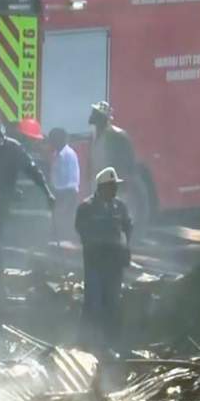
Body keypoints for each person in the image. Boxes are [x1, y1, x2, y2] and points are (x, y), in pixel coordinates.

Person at [0, 114, 55, 300]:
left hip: (3, 207)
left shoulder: (13, 148)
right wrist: (8, 191)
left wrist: (47, 192)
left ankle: (3, 286)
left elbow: (33, 171)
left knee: (1, 245)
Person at [75, 168, 131, 354]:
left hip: (114, 265)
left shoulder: (119, 206)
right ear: (103, 187)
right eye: (113, 186)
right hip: (95, 264)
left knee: (113, 303)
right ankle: (87, 343)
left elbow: (128, 226)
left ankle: (110, 345)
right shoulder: (87, 207)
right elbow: (82, 231)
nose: (116, 190)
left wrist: (126, 248)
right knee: (94, 303)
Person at [88, 102, 136, 181]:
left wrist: (124, 181)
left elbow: (128, 162)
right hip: (96, 180)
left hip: (113, 181)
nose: (92, 116)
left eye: (95, 114)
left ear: (103, 118)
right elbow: (90, 160)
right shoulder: (92, 135)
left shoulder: (118, 136)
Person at [47, 128, 81, 242]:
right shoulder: (58, 153)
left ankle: (64, 246)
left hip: (67, 192)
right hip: (61, 192)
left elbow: (69, 179)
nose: (50, 142)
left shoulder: (67, 154)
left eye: (52, 139)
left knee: (63, 220)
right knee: (59, 220)